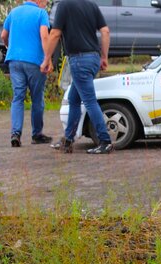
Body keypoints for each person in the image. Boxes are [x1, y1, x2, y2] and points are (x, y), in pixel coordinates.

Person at [42, 0, 112, 155]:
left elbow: (54, 33)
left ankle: (105, 140)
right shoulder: (92, 5)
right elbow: (105, 31)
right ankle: (68, 140)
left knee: (89, 101)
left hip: (79, 60)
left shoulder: (64, 5)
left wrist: (47, 59)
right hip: (93, 58)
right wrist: (104, 56)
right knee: (74, 99)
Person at [1, 0, 52, 147]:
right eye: (45, 2)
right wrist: (47, 59)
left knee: (18, 97)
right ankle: (37, 134)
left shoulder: (14, 12)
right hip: (34, 61)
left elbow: (4, 35)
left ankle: (15, 133)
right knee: (37, 98)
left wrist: (9, 46)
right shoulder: (41, 14)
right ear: (38, 1)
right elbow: (44, 36)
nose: (46, 4)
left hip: (14, 60)